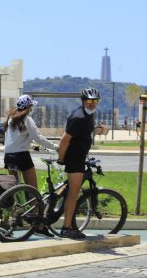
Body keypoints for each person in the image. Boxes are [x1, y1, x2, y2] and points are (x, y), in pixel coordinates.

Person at [3, 94, 58, 238]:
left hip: (8, 157)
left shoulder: (11, 119)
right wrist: (55, 147)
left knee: (11, 190)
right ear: (29, 107)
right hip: (22, 157)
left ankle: (5, 221)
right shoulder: (27, 120)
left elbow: (16, 140)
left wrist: (31, 146)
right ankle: (38, 225)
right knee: (34, 191)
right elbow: (39, 138)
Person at [58, 87, 100, 239]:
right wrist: (61, 159)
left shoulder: (88, 115)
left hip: (80, 157)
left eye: (95, 101)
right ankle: (66, 228)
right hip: (74, 158)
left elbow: (85, 132)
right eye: (89, 101)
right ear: (83, 101)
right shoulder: (78, 117)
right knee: (73, 194)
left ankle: (68, 224)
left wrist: (100, 131)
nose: (92, 103)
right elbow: (64, 140)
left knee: (71, 192)